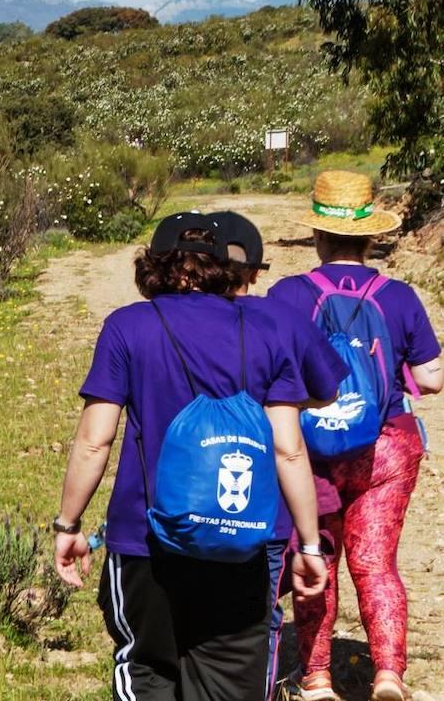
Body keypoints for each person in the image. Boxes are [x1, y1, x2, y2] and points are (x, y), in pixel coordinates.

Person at [55, 212, 330, 701]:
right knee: (228, 686)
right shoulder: (266, 330)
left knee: (146, 669)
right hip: (239, 540)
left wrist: (68, 526)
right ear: (225, 265)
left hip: (146, 543)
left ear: (155, 266)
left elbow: (95, 440)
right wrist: (308, 546)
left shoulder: (127, 326)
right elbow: (289, 449)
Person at [265, 171, 444, 701]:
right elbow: (433, 378)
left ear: (317, 237)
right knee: (377, 561)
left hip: (308, 451)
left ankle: (317, 676)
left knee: (315, 555)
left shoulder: (287, 294)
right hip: (385, 445)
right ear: (371, 238)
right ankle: (388, 673)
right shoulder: (400, 296)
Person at [211, 210, 347, 700]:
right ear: (255, 270)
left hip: (182, 499)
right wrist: (282, 399)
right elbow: (329, 390)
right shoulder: (283, 320)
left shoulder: (171, 321)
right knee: (257, 615)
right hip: (262, 505)